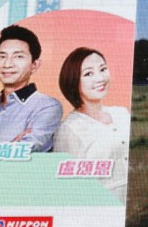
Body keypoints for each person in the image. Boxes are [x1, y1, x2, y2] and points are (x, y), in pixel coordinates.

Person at [0, 24, 63, 152]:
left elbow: (27, 148)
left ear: (34, 65)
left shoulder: (47, 106)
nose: (7, 64)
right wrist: (8, 147)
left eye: (18, 56)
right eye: (2, 57)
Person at [53, 47, 129, 201]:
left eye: (103, 69)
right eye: (88, 73)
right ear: (73, 80)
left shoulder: (122, 113)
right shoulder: (70, 129)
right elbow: (66, 188)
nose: (100, 78)